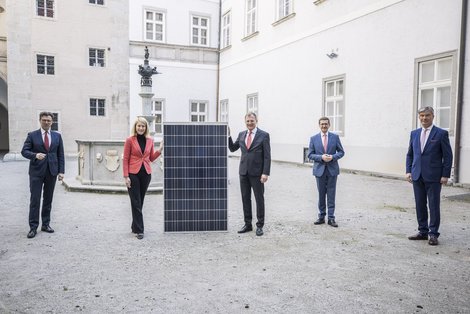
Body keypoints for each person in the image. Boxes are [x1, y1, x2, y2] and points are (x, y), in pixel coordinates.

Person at [406, 106, 453, 246]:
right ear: (419, 117)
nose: (424, 118)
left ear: (433, 116)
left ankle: (433, 234)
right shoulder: (414, 133)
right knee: (420, 205)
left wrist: (445, 175)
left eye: (427, 115)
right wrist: (408, 171)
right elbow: (410, 154)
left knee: (433, 205)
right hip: (417, 175)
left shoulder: (441, 134)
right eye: (421, 116)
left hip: (434, 176)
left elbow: (448, 156)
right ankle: (422, 231)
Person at [21, 111, 65, 239]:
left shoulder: (57, 136)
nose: (46, 122)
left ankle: (46, 224)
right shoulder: (32, 135)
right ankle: (33, 227)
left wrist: (61, 171)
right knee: (35, 200)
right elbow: (24, 151)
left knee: (48, 199)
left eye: (49, 120)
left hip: (52, 172)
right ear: (40, 120)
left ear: (52, 122)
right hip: (36, 172)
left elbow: (60, 154)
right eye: (44, 120)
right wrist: (35, 155)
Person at [228, 112, 271, 236]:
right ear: (245, 122)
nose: (250, 123)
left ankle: (259, 225)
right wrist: (228, 136)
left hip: (258, 173)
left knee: (259, 199)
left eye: (252, 121)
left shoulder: (264, 135)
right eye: (247, 121)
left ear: (256, 120)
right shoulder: (242, 134)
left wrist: (265, 173)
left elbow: (267, 156)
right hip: (243, 172)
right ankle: (247, 224)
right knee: (245, 198)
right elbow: (232, 148)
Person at [123, 117, 163, 240]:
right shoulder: (130, 140)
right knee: (135, 202)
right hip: (133, 174)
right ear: (135, 127)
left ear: (146, 128)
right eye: (139, 126)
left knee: (140, 202)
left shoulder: (150, 141)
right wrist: (126, 176)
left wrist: (160, 150)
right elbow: (125, 159)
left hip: (146, 174)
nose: (141, 128)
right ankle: (140, 230)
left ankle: (135, 226)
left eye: (143, 126)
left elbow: (150, 158)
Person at [308, 117, 345, 228]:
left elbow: (341, 152)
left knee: (331, 194)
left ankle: (331, 218)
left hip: (332, 170)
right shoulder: (313, 138)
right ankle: (321, 216)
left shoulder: (335, 137)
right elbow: (310, 154)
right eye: (322, 124)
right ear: (319, 125)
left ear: (329, 125)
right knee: (321, 194)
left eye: (326, 124)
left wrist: (333, 157)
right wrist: (321, 157)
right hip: (319, 170)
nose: (324, 126)